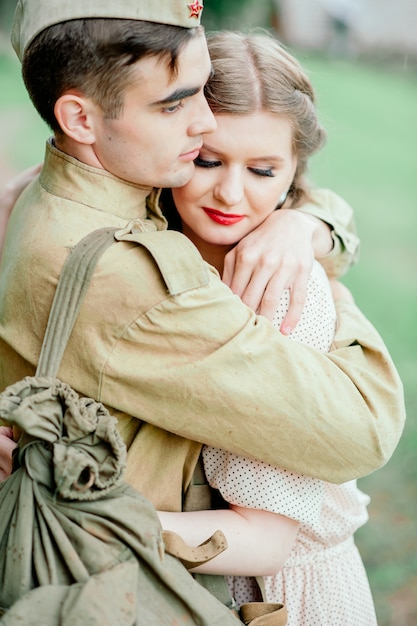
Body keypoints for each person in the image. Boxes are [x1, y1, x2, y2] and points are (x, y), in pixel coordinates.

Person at [0, 0, 405, 522]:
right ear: (80, 118)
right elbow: (363, 429)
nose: (205, 122)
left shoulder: (64, 184)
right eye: (175, 104)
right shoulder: (129, 278)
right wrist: (326, 289)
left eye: (201, 90)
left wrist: (306, 227)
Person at [156, 31, 378, 625]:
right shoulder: (154, 249)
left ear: (295, 170)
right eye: (207, 160)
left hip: (290, 597)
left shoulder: (283, 290)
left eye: (262, 169)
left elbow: (267, 540)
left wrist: (88, 520)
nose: (230, 193)